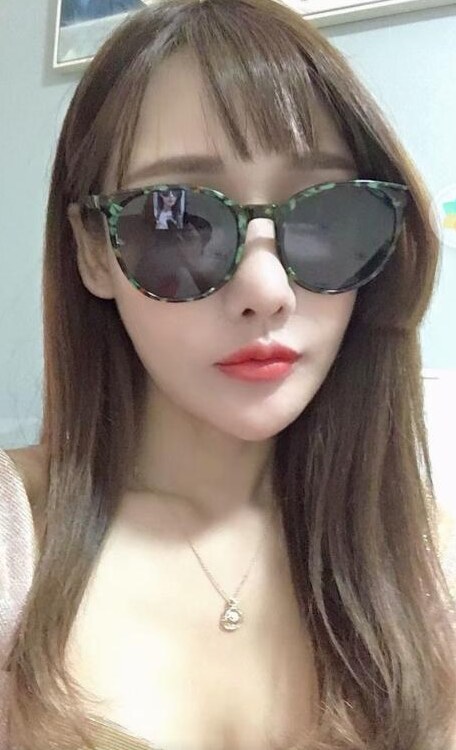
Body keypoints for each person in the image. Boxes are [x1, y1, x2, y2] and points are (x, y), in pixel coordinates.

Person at [1, 0, 455, 749]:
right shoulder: (16, 540)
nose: (267, 291)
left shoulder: (426, 560)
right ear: (93, 251)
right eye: (178, 220)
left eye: (326, 215)